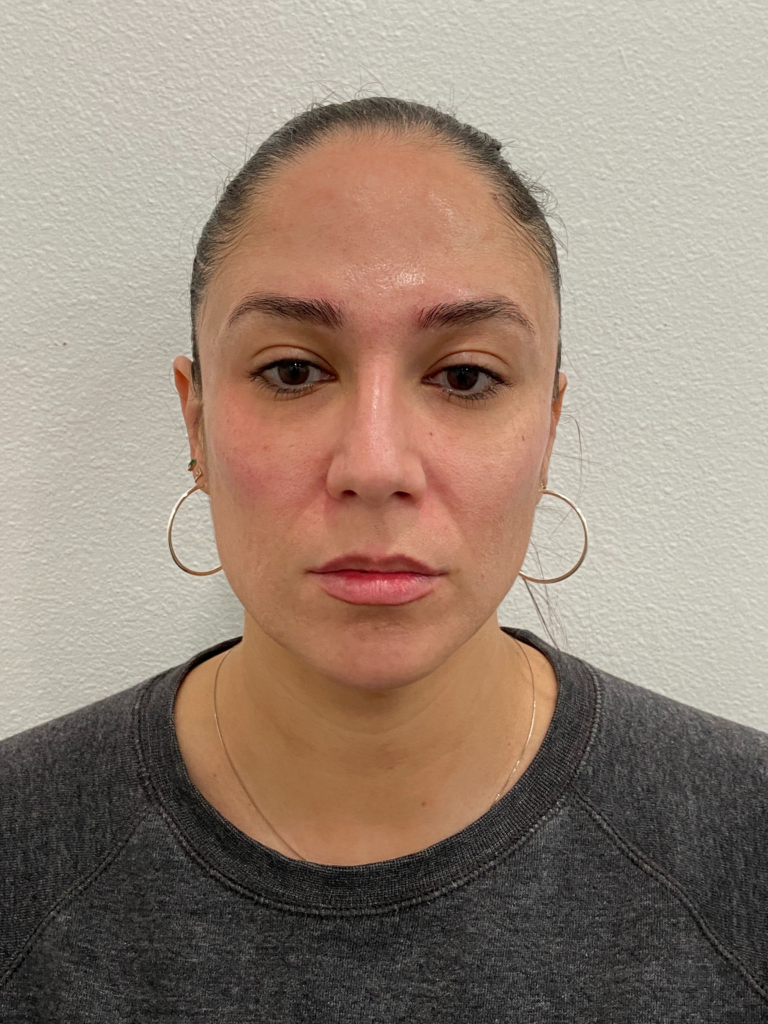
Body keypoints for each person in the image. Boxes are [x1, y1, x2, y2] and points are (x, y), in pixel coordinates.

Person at [1, 97, 766, 1022]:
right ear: (195, 419)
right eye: (292, 370)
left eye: (465, 376)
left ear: (549, 426)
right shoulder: (23, 850)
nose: (374, 465)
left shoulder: (741, 845)